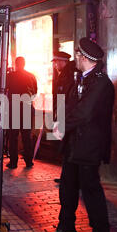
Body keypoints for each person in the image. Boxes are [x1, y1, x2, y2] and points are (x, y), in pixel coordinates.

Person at [47, 38, 114, 232]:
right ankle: (66, 227)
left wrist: (62, 126)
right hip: (73, 144)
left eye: (77, 55)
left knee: (91, 189)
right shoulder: (80, 78)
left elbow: (85, 112)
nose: (75, 58)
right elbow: (70, 105)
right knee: (67, 188)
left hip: (89, 145)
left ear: (84, 58)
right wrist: (60, 124)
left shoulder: (101, 82)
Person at [5, 56, 38, 169]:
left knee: (13, 136)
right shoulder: (31, 76)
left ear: (16, 64)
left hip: (14, 108)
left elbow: (5, 89)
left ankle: (13, 162)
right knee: (26, 135)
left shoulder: (10, 76)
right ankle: (29, 161)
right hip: (27, 107)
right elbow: (35, 92)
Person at [52, 51, 77, 183]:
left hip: (66, 116)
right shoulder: (64, 74)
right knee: (66, 147)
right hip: (64, 115)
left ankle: (68, 178)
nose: (55, 65)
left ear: (63, 61)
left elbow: (64, 98)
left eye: (56, 62)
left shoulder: (68, 76)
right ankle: (66, 176)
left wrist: (59, 116)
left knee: (68, 147)